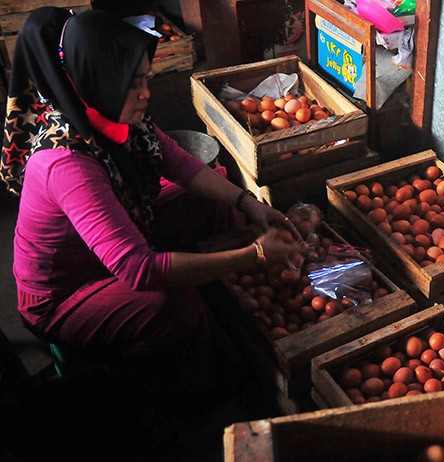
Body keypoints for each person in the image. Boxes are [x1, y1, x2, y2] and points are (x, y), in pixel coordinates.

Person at [1, 7, 301, 392]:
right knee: (173, 307)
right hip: (65, 294)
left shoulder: (110, 110)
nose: (145, 92)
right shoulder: (67, 163)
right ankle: (186, 384)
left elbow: (178, 162)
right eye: (131, 82)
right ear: (98, 80)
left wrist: (249, 203)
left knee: (216, 196)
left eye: (144, 77)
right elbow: (137, 269)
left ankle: (230, 297)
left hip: (113, 240)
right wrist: (255, 255)